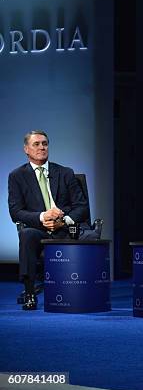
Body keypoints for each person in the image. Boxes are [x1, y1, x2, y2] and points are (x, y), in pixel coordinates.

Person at [8, 130, 95, 310]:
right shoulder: (17, 176)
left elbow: (82, 207)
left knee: (83, 234)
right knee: (26, 235)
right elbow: (16, 212)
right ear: (26, 149)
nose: (42, 147)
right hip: (39, 228)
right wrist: (42, 217)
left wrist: (64, 221)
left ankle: (87, 291)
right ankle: (30, 292)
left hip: (65, 228)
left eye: (45, 143)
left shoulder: (65, 173)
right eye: (36, 144)